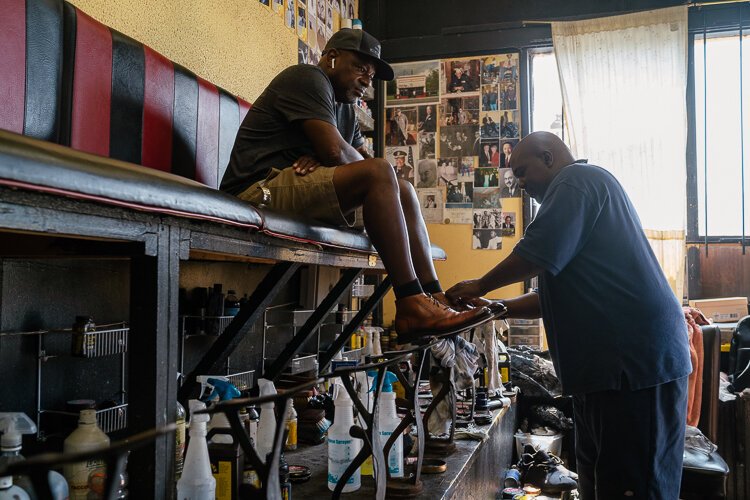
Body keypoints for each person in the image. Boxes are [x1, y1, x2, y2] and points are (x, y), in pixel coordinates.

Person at [446, 132, 691, 499]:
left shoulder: (577, 180)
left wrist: (480, 285)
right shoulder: (575, 200)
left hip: (636, 367)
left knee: (635, 486)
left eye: (523, 171)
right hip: (607, 374)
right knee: (601, 482)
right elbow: (551, 296)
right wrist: (496, 309)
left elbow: (535, 252)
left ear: (548, 157)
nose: (521, 183)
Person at [221, 28, 491, 342]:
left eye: (372, 75)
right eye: (361, 68)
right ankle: (410, 302)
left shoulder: (346, 109)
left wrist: (328, 156)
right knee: (379, 174)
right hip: (256, 191)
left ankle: (434, 296)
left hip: (293, 188)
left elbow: (356, 158)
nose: (367, 80)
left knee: (402, 189)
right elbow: (343, 155)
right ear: (332, 58)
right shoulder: (308, 78)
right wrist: (331, 154)